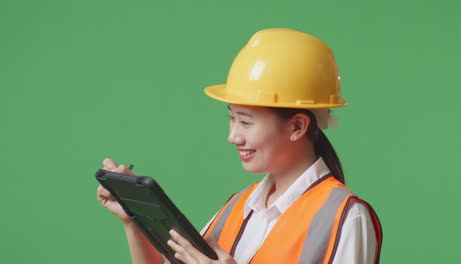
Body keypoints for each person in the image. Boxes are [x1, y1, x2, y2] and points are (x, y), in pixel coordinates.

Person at [97, 28, 383, 264]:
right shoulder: (239, 208)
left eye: (245, 122)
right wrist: (134, 220)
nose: (233, 136)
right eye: (232, 119)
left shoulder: (345, 216)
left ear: (297, 126)